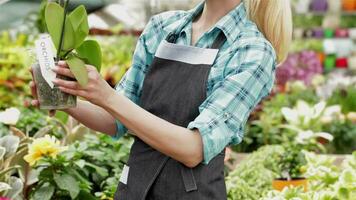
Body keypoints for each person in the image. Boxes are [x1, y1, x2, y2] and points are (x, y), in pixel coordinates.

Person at [30, 0, 292, 199]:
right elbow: (116, 120)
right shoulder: (164, 27)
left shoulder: (250, 50)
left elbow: (193, 149)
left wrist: (108, 97)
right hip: (133, 187)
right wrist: (63, 96)